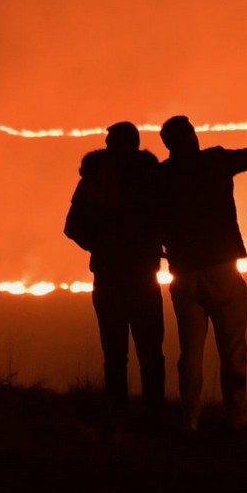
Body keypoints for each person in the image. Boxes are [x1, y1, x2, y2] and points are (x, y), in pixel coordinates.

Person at [156, 115, 247, 432]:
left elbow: (149, 218)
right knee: (233, 350)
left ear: (167, 144)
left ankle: (189, 421)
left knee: (190, 354)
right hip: (222, 267)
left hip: (183, 273)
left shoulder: (161, 176)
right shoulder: (214, 162)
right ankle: (237, 419)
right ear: (192, 136)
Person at [64, 121, 166, 418]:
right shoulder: (152, 179)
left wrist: (100, 245)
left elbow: (72, 227)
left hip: (111, 275)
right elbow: (165, 218)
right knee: (149, 353)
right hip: (141, 274)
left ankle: (118, 412)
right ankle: (153, 414)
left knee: (116, 352)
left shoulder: (93, 181)